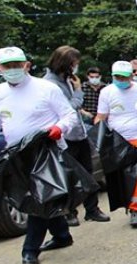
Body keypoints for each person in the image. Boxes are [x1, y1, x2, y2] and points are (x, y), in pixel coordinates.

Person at [0, 47, 81, 264]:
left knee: (39, 198)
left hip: (47, 152)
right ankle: (62, 235)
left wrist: (58, 128)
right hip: (17, 155)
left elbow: (69, 115)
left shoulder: (46, 88)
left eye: (17, 64)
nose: (13, 69)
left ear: (27, 65)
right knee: (44, 198)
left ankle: (29, 250)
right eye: (8, 66)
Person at [43, 45, 110, 226]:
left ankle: (92, 209)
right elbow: (70, 107)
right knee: (69, 176)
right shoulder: (50, 84)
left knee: (88, 173)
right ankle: (69, 212)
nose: (76, 66)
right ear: (64, 63)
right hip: (64, 137)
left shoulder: (67, 79)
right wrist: (79, 90)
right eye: (74, 63)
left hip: (79, 134)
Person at [94, 61, 137, 228]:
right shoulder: (107, 92)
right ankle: (135, 204)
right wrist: (96, 139)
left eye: (124, 77)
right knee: (126, 176)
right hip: (118, 141)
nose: (120, 79)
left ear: (130, 76)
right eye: (117, 77)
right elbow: (102, 116)